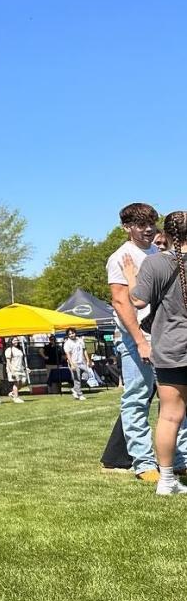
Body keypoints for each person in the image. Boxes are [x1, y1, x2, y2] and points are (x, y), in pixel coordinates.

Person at [106, 202, 187, 482]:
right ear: (127, 228)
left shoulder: (159, 251)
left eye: (152, 223)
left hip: (165, 338)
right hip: (135, 338)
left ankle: (179, 459)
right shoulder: (121, 257)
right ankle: (143, 463)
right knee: (137, 399)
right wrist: (140, 341)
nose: (148, 229)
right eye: (141, 225)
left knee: (175, 402)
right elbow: (122, 302)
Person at [129, 210, 187, 496]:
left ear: (166, 233)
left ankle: (165, 481)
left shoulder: (155, 263)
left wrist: (132, 277)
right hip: (175, 348)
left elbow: (138, 300)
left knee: (170, 416)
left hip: (172, 347)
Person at [62, 328, 88, 400]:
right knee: (77, 379)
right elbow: (68, 354)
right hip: (74, 363)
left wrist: (88, 360)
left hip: (82, 362)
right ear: (68, 335)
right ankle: (80, 395)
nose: (71, 335)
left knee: (86, 377)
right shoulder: (67, 343)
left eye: (72, 333)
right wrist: (72, 364)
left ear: (75, 333)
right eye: (69, 334)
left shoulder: (80, 340)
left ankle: (75, 389)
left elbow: (84, 350)